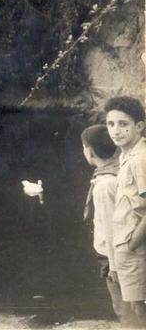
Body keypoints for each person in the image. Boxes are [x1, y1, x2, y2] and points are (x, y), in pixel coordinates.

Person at [81, 124, 134, 324]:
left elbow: (114, 229)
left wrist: (113, 267)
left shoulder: (104, 185)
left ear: (90, 151)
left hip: (114, 255)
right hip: (124, 250)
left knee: (123, 308)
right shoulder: (118, 170)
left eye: (83, 147)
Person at [104, 96, 146, 325]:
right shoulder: (126, 156)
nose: (116, 131)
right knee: (135, 307)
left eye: (123, 124)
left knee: (140, 309)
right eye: (111, 124)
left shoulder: (141, 159)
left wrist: (131, 245)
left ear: (139, 126)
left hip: (136, 247)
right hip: (128, 245)